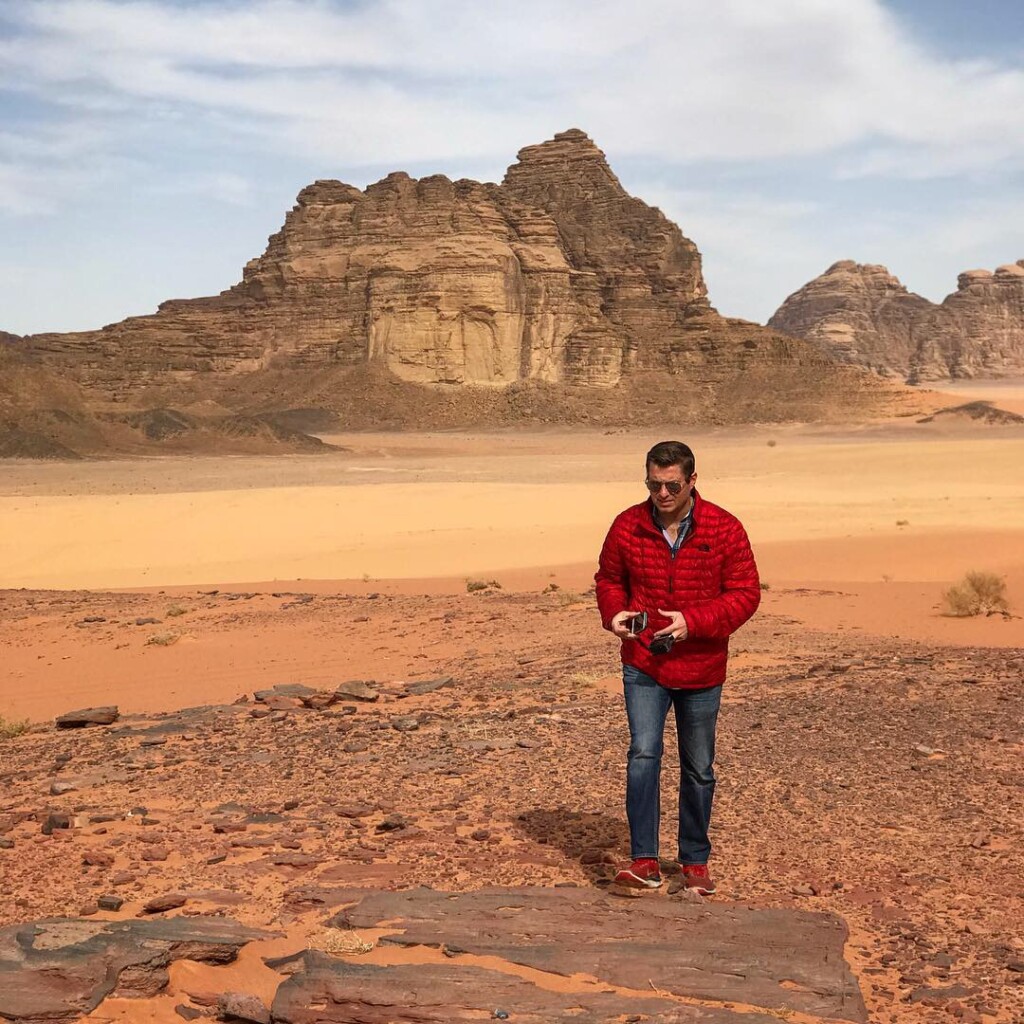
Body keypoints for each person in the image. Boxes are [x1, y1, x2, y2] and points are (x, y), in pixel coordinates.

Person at [594, 440, 761, 894]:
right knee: (643, 755)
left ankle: (694, 862)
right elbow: (609, 578)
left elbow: (746, 593)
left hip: (703, 667)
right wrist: (615, 616)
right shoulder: (628, 525)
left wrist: (694, 623)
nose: (661, 494)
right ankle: (644, 860)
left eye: (670, 485)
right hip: (644, 662)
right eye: (653, 484)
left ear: (692, 481)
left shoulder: (724, 528)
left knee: (699, 766)